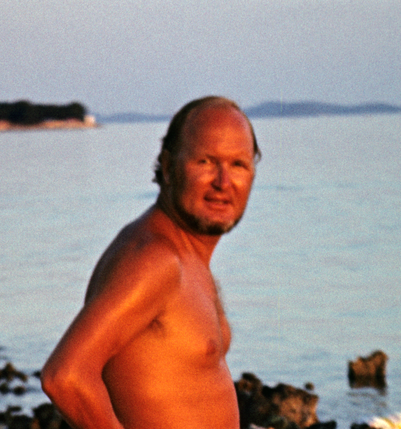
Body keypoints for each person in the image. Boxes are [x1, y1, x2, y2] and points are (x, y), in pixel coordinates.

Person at [40, 96, 260, 429]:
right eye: (205, 162)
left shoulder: (188, 258)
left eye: (238, 165)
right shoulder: (155, 259)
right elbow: (65, 376)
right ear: (169, 167)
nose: (223, 182)